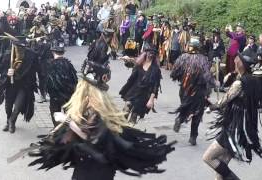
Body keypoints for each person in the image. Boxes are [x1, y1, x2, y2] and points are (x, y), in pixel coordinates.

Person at [19, 28, 176, 180]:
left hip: (92, 171)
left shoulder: (96, 109)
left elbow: (94, 138)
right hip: (99, 169)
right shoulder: (101, 107)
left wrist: (66, 120)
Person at [203, 50, 262, 180]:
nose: (235, 61)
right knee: (221, 166)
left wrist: (210, 107)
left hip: (233, 128)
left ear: (242, 64)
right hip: (243, 128)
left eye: (238, 60)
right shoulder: (253, 81)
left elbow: (223, 101)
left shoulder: (239, 83)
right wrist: (231, 76)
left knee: (208, 158)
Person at [170, 36, 215, 145]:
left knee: (185, 106)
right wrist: (214, 83)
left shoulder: (182, 57)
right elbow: (207, 76)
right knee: (197, 112)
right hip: (198, 91)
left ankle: (180, 119)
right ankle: (193, 136)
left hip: (184, 89)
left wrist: (182, 77)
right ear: (198, 48)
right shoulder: (203, 59)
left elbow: (174, 74)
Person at [0, 37, 38, 134]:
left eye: (23, 46)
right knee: (8, 106)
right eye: (18, 46)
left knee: (18, 106)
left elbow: (35, 70)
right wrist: (7, 73)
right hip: (10, 85)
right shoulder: (7, 55)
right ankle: (8, 120)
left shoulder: (31, 55)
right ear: (14, 45)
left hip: (24, 85)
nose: (20, 49)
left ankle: (12, 121)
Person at [119, 47, 161, 124]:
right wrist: (126, 60)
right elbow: (131, 63)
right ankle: (120, 129)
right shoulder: (139, 63)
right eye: (149, 52)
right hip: (133, 91)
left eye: (152, 53)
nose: (150, 54)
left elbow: (156, 86)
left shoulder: (156, 70)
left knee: (134, 116)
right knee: (125, 111)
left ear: (154, 55)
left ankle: (128, 132)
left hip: (143, 95)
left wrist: (151, 100)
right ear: (145, 53)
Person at [46, 43, 78, 127]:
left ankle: (57, 130)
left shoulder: (51, 65)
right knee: (68, 113)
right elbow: (75, 80)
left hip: (55, 95)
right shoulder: (69, 65)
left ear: (53, 53)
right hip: (68, 94)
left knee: (55, 112)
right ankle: (68, 130)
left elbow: (49, 82)